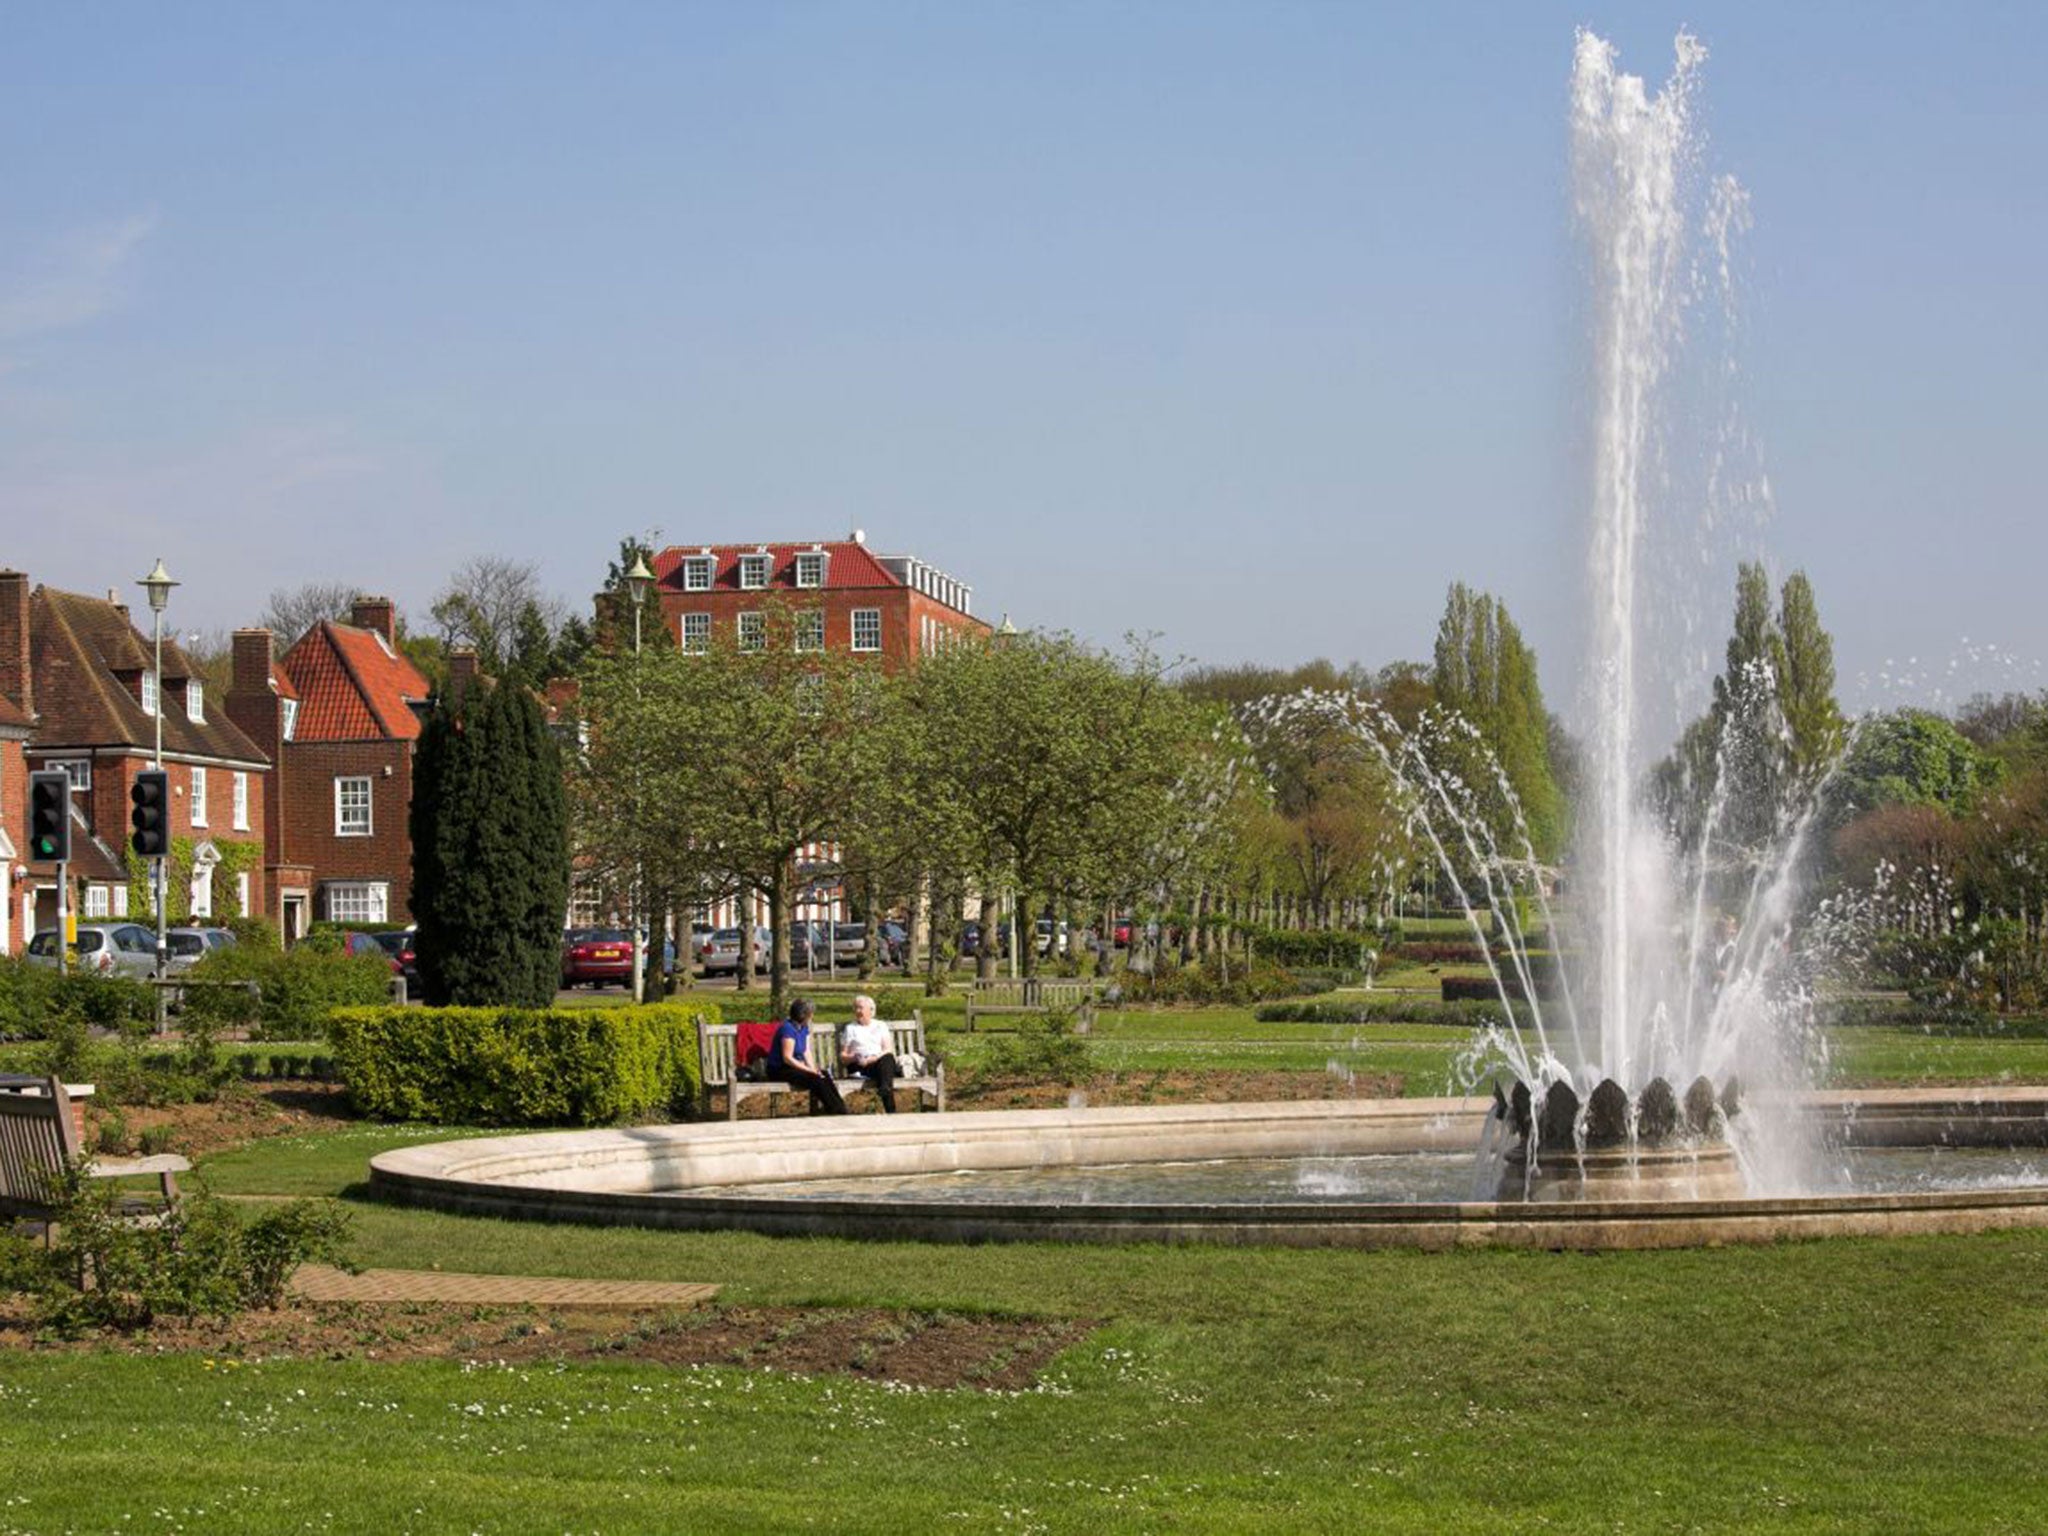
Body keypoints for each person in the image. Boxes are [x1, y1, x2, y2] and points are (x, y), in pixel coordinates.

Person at [765, 997, 847, 1115]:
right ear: (804, 1015)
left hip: (793, 1067)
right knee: (816, 1079)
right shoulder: (787, 1029)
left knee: (823, 1074)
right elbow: (787, 1058)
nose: (812, 1016)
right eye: (811, 1014)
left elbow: (806, 1051)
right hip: (779, 1069)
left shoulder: (804, 1028)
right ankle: (836, 1111)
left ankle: (840, 1108)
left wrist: (813, 1069)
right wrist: (809, 1070)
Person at [838, 993, 900, 1113]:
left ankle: (885, 1089)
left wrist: (874, 1058)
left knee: (887, 1058)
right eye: (856, 1008)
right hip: (859, 1066)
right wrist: (854, 1057)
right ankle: (891, 1111)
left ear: (871, 1010)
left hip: (878, 1062)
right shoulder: (850, 1028)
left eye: (860, 1008)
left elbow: (887, 1049)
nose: (858, 1011)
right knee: (885, 1075)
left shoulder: (881, 1025)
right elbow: (843, 1056)